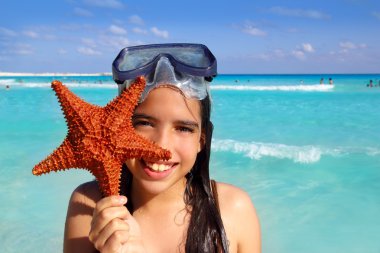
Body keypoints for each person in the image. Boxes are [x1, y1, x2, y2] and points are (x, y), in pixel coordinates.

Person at [63, 43, 261, 253]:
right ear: (120, 129)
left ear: (201, 141)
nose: (161, 146)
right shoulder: (90, 205)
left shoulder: (233, 210)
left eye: (183, 128)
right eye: (144, 123)